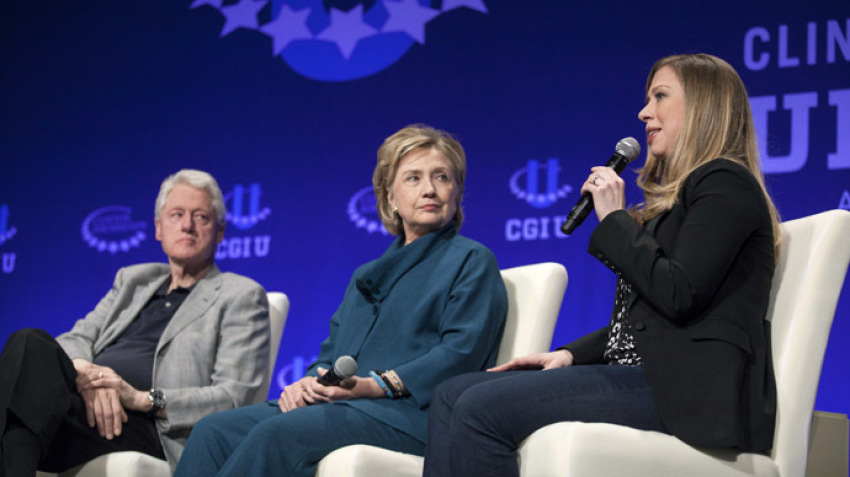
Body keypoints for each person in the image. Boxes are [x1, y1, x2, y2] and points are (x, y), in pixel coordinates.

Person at [423, 53, 782, 476]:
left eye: (660, 96)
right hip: (647, 377)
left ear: (704, 106)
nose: (644, 112)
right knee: (451, 395)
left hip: (688, 392)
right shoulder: (678, 200)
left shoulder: (725, 182)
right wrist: (570, 355)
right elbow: (644, 321)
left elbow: (678, 294)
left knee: (480, 410)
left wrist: (614, 219)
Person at [174, 125, 508, 476]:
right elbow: (331, 354)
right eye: (413, 178)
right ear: (390, 197)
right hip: (347, 407)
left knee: (278, 433)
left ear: (456, 191)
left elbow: (459, 355)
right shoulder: (368, 273)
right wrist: (307, 382)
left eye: (442, 177)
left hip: (413, 417)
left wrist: (373, 386)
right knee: (212, 431)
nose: (429, 189)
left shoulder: (472, 260)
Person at [0, 169, 271, 475]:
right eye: (176, 214)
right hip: (84, 402)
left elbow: (234, 397)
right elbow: (76, 339)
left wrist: (142, 398)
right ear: (158, 228)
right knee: (30, 341)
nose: (187, 226)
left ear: (220, 231)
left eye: (201, 217)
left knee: (16, 405)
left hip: (149, 426)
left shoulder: (241, 295)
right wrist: (91, 376)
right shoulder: (134, 280)